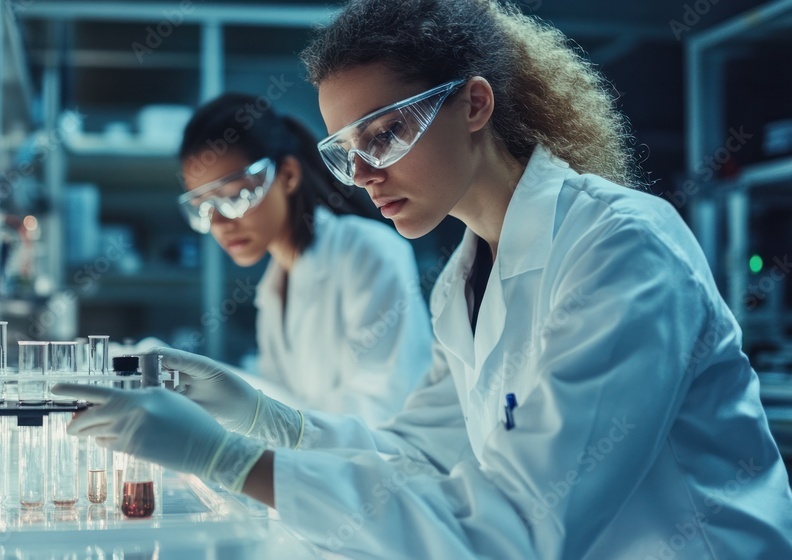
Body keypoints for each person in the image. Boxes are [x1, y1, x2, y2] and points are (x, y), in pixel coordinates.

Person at [53, 1, 792, 558]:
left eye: (384, 134)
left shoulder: (621, 247)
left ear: (474, 103)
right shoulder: (463, 279)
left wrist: (233, 461)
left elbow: (521, 525)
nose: (365, 173)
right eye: (347, 149)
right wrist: (262, 419)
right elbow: (417, 457)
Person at [174, 93, 432, 423]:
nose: (220, 223)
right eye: (203, 207)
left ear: (288, 176)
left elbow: (383, 411)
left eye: (235, 196)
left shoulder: (368, 251)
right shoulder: (275, 285)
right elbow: (279, 403)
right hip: (320, 467)